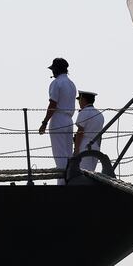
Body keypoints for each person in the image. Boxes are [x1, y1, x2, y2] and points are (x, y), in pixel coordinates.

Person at [38, 57, 77, 185]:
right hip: (69, 120)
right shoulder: (72, 84)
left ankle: (62, 183)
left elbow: (53, 104)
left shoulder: (56, 83)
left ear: (56, 70)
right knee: (68, 153)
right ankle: (69, 180)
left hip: (58, 118)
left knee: (59, 153)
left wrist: (44, 122)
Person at [73, 90, 104, 172]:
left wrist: (76, 149)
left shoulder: (84, 112)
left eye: (79, 100)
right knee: (91, 172)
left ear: (83, 99)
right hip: (95, 146)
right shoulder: (99, 114)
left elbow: (80, 132)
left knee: (82, 172)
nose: (79, 103)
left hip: (84, 145)